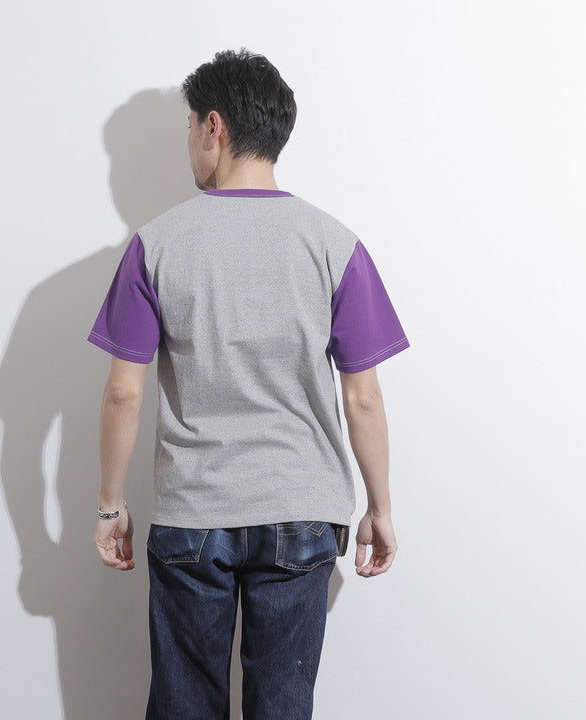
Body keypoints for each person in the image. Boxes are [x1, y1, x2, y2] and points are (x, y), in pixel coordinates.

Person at [88, 47, 410, 720]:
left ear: (214, 126)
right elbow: (362, 396)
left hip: (193, 512)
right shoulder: (335, 243)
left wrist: (111, 505)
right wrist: (380, 508)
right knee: (282, 705)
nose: (188, 143)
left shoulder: (157, 244)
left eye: (188, 128)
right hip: (302, 507)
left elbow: (123, 392)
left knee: (183, 705)